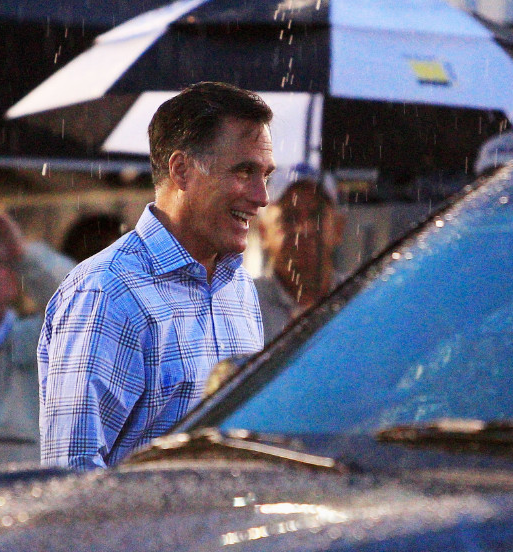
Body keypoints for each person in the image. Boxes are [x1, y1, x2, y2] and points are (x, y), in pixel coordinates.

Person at [38, 82, 275, 470]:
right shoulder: (106, 291)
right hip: (144, 532)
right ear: (181, 170)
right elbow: (71, 477)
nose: (262, 196)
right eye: (244, 171)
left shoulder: (239, 288)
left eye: (265, 175)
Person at [0, 212, 72, 465]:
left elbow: (81, 303)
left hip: (29, 491)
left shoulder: (38, 340)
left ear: (14, 278)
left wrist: (23, 252)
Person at [255, 165, 346, 341]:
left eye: (316, 217)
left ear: (338, 229)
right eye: (289, 218)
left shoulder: (361, 300)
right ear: (263, 232)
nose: (304, 229)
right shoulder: (241, 308)